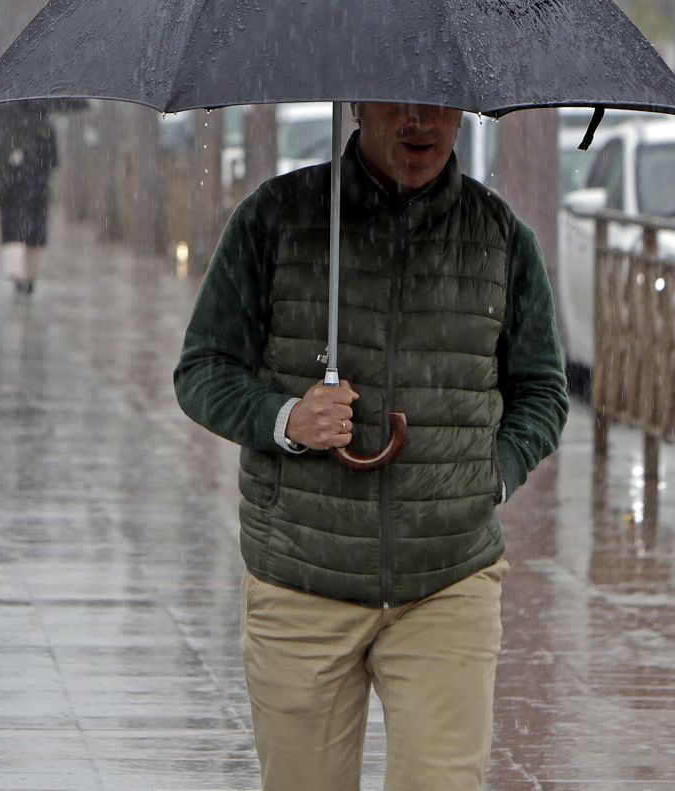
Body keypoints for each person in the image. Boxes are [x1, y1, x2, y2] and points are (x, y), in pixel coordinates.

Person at [173, 102, 568, 791]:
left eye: (438, 103)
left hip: (447, 576)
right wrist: (286, 416)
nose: (420, 121)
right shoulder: (276, 218)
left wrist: (492, 476)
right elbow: (201, 368)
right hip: (302, 571)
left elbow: (542, 390)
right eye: (399, 100)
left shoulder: (500, 237)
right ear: (357, 102)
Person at [0, 102, 58, 295]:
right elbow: (53, 161)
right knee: (28, 237)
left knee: (21, 236)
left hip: (22, 193)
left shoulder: (10, 126)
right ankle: (25, 279)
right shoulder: (44, 127)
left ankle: (22, 279)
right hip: (28, 193)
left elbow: (52, 160)